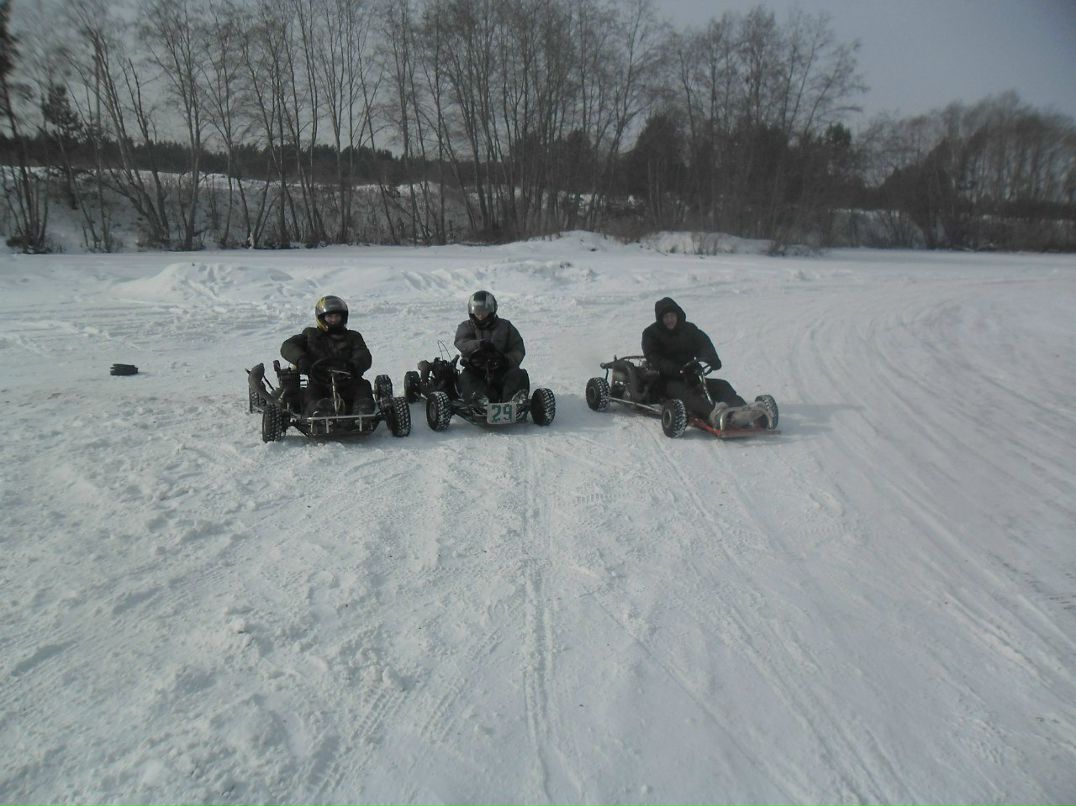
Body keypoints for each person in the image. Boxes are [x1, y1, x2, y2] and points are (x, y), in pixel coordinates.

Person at [642, 296, 746, 425]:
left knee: (722, 386)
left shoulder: (689, 329)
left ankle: (742, 410)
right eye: (666, 317)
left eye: (672, 316)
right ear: (660, 319)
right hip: (666, 381)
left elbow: (703, 344)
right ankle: (714, 414)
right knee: (689, 395)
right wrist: (674, 369)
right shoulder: (651, 333)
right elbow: (654, 357)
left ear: (677, 315)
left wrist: (711, 358)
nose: (669, 320)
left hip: (690, 375)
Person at [281, 295, 375, 415]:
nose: (334, 320)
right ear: (321, 318)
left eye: (337, 316)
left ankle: (362, 411)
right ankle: (319, 411)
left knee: (363, 386)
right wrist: (301, 359)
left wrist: (355, 365)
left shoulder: (353, 336)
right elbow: (288, 345)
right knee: (310, 393)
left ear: (343, 317)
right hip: (319, 382)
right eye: (330, 317)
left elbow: (362, 353)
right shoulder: (310, 334)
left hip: (348, 380)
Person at [454, 290, 529, 407]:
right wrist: (479, 345)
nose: (480, 315)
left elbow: (518, 348)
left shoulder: (506, 327)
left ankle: (513, 402)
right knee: (465, 379)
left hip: (502, 369)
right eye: (477, 311)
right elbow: (462, 342)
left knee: (519, 375)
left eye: (483, 311)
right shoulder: (466, 326)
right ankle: (482, 402)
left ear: (492, 310)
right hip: (475, 371)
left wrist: (506, 359)